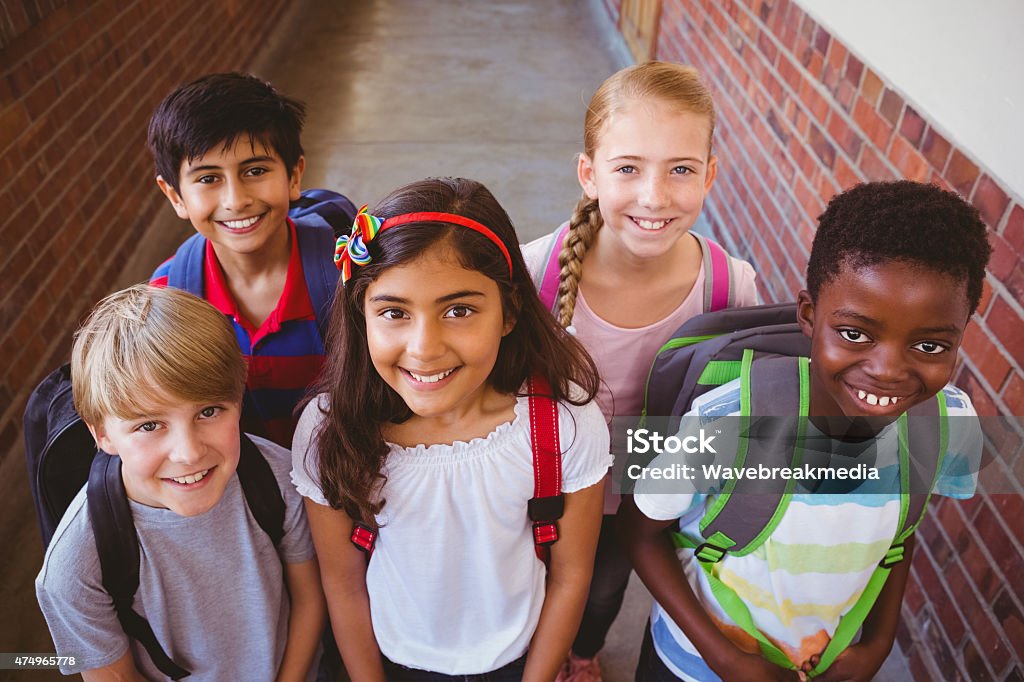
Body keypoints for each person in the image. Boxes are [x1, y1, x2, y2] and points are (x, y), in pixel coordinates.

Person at [618, 180, 991, 681]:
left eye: (929, 347)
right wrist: (724, 657)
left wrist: (877, 644)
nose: (887, 370)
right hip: (692, 665)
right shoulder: (729, 421)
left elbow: (899, 533)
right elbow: (641, 534)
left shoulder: (947, 427)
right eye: (856, 334)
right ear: (809, 315)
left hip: (827, 662)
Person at [291, 177, 610, 681]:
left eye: (458, 310)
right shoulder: (332, 429)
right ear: (361, 314)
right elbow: (343, 583)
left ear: (509, 312)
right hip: (391, 660)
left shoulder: (563, 424)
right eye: (394, 312)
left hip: (520, 661)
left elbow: (571, 576)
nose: (424, 347)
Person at [521, 61, 759, 681]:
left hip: (641, 496)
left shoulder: (729, 286)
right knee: (527, 586)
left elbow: (736, 403)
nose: (655, 196)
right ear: (589, 174)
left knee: (602, 592)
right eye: (628, 168)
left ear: (709, 175)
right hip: (538, 486)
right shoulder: (532, 273)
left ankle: (583, 653)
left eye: (681, 169)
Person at [35, 284, 325, 680]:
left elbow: (309, 599)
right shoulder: (76, 566)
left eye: (208, 411)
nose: (188, 452)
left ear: (238, 401)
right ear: (102, 435)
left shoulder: (279, 479)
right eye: (150, 425)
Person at [148, 72, 338, 447]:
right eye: (208, 179)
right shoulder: (170, 297)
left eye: (255, 171)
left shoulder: (347, 273)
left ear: (294, 175)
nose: (236, 200)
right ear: (175, 196)